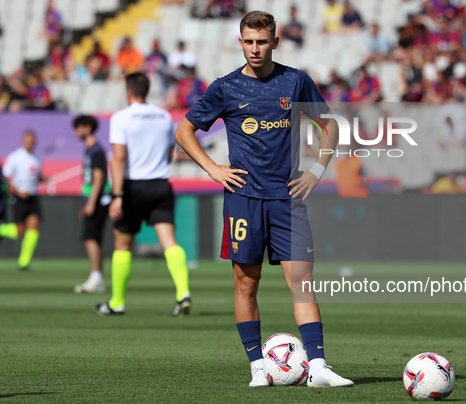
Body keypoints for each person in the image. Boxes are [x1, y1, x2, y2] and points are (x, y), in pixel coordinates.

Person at [175, 11, 353, 388]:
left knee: (302, 280)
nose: (255, 48)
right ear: (240, 43)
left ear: (275, 41)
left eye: (262, 41)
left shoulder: (295, 80)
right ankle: (258, 367)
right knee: (245, 284)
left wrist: (317, 170)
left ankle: (318, 366)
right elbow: (184, 130)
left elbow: (330, 125)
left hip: (287, 198)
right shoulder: (225, 88)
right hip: (243, 199)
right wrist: (212, 168)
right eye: (249, 41)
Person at [95, 73, 191, 317]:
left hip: (133, 187)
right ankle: (183, 293)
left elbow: (118, 158)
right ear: (147, 91)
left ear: (129, 92)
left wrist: (116, 194)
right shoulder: (163, 116)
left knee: (122, 243)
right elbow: (170, 153)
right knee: (169, 240)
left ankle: (117, 302)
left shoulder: (121, 117)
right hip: (161, 184)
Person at [73, 115, 111, 294]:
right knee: (93, 238)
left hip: (99, 200)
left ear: (87, 127)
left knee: (89, 237)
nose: (75, 131)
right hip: (94, 199)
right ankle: (97, 277)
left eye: (78, 127)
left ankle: (96, 277)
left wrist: (91, 202)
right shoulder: (90, 150)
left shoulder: (96, 151)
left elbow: (99, 178)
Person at [0, 131, 45, 270]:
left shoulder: (37, 158)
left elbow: (36, 177)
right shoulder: (15, 157)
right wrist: (19, 192)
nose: (29, 143)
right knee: (20, 231)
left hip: (32, 197)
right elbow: (6, 179)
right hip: (18, 197)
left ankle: (24, 262)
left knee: (34, 225)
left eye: (32, 141)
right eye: (27, 140)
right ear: (22, 141)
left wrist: (43, 179)